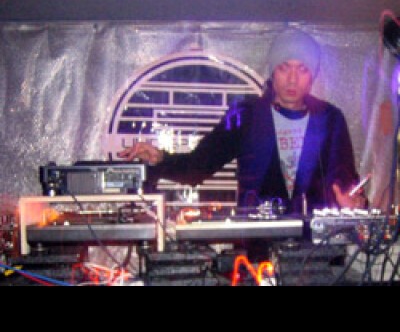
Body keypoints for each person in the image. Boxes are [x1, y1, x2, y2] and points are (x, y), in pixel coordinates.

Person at [118, 28, 367, 217]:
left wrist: (355, 202)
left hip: (316, 248)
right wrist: (160, 158)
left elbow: (345, 181)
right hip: (258, 249)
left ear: (312, 74)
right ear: (273, 71)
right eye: (284, 68)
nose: (293, 79)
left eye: (302, 69)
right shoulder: (245, 115)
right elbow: (198, 165)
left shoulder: (330, 119)